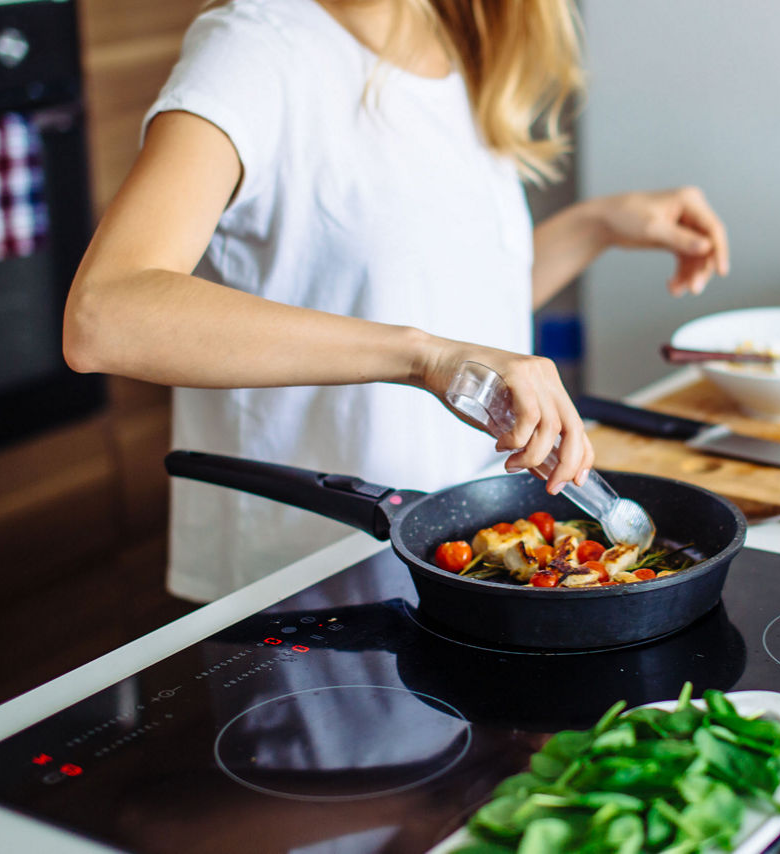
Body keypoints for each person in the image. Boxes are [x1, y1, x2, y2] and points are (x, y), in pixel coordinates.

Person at [62, 0, 730, 602]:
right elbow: (106, 315)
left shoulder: (453, 40)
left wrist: (596, 226)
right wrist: (423, 356)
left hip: (466, 565)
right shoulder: (253, 47)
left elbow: (451, 311)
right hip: (318, 577)